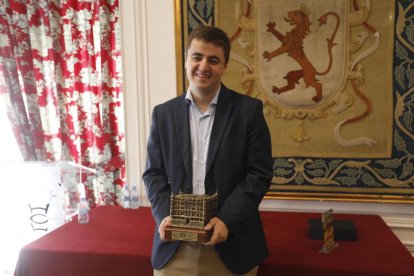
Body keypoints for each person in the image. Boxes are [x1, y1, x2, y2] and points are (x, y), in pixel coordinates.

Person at [142, 25, 273, 275]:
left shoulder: (249, 112)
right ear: (186, 60)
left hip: (232, 249)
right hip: (174, 252)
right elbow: (154, 175)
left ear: (224, 66)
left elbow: (259, 174)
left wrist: (227, 220)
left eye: (213, 60)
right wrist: (165, 217)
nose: (204, 66)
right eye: (197, 57)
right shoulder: (163, 114)